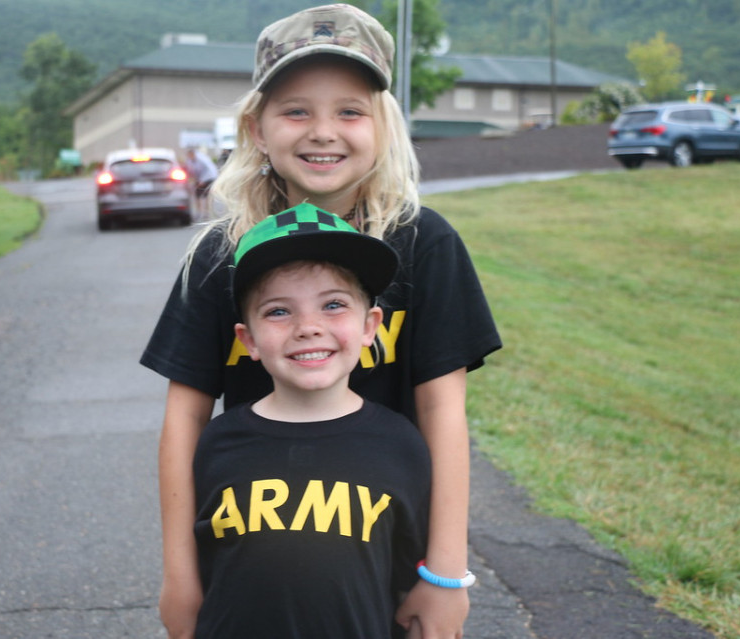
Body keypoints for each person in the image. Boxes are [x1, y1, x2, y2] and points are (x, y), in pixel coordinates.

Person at [142, 4, 501, 637]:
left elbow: (443, 412)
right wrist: (180, 576)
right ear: (257, 129)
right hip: (249, 562)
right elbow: (185, 418)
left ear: (383, 126)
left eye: (350, 111)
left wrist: (444, 575)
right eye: (296, 110)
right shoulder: (220, 255)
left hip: (380, 559)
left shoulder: (425, 244)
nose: (322, 131)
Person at [194, 203, 434, 637]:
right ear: (247, 340)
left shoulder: (401, 445)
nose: (308, 327)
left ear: (370, 326)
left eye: (334, 305)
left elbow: (406, 573)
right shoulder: (218, 442)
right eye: (279, 311)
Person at [183, 148, 219, 220]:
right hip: (199, 179)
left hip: (209, 178)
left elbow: (209, 171)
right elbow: (191, 171)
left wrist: (203, 181)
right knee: (197, 196)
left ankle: (207, 213)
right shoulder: (190, 161)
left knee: (207, 196)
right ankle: (199, 212)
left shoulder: (202, 160)